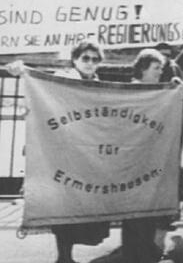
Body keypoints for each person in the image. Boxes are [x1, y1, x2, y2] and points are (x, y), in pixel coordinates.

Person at [5, 41, 111, 263]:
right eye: (85, 58)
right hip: (63, 151)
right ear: (75, 59)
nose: (90, 63)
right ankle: (64, 256)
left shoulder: (100, 84)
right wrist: (23, 71)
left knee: (84, 204)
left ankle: (67, 255)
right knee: (63, 205)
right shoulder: (65, 77)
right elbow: (41, 86)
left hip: (88, 154)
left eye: (95, 59)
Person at [122, 48, 168, 263]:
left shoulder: (159, 91)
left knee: (150, 204)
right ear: (143, 68)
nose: (160, 72)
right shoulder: (128, 90)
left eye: (161, 68)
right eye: (156, 68)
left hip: (151, 156)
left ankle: (147, 246)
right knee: (132, 206)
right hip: (131, 157)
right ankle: (132, 251)